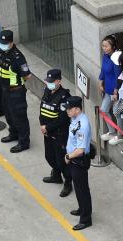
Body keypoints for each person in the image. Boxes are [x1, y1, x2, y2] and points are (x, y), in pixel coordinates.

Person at [39, 68, 74, 198]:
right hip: (47, 132)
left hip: (59, 134)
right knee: (49, 156)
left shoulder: (65, 97)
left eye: (51, 81)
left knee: (62, 160)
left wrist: (47, 127)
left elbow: (63, 119)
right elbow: (42, 109)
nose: (49, 83)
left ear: (59, 81)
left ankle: (68, 183)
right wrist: (42, 125)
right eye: (47, 81)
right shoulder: (47, 91)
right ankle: (56, 176)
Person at [0, 30, 32, 153]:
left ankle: (23, 142)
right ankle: (13, 134)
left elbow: (27, 76)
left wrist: (16, 83)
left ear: (11, 43)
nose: (2, 45)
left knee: (19, 117)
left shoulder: (18, 57)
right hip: (5, 90)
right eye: (1, 42)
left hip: (16, 92)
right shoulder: (2, 52)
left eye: (5, 43)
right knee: (9, 114)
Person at [65, 96, 94, 230]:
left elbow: (81, 150)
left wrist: (68, 156)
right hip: (73, 159)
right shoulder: (74, 119)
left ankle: (86, 219)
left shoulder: (82, 125)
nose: (67, 111)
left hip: (78, 160)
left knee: (82, 190)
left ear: (77, 109)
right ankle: (82, 209)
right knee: (78, 187)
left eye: (69, 109)